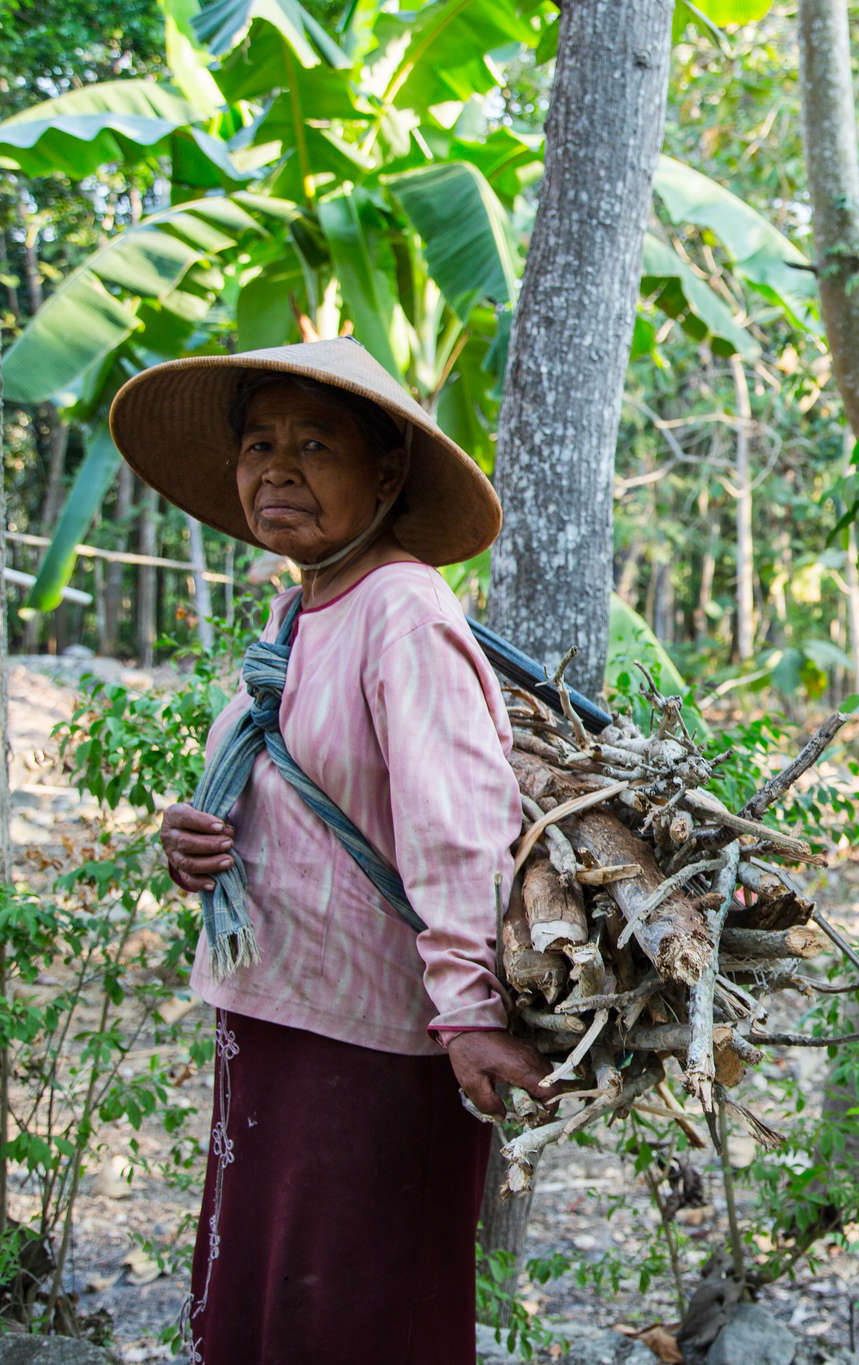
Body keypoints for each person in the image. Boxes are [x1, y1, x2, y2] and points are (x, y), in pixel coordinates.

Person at [115, 338, 555, 1364]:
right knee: (272, 1304)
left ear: (386, 473)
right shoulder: (302, 611)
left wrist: (470, 1014)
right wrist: (195, 840)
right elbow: (284, 786)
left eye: (315, 444)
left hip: (376, 1040)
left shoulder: (401, 609)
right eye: (260, 443)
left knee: (355, 1313)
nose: (278, 467)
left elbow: (458, 827)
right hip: (277, 1010)